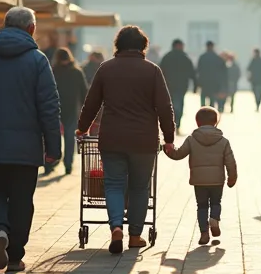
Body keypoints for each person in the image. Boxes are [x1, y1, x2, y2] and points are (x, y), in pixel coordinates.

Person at [0, 7, 61, 273]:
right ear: (31, 29)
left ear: (4, 26)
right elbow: (49, 107)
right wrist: (54, 147)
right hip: (26, 148)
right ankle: (15, 255)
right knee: (21, 199)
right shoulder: (38, 61)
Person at [77, 25, 176, 254]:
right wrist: (169, 137)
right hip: (144, 140)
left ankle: (116, 228)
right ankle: (135, 235)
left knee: (113, 184)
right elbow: (164, 106)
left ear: (117, 45)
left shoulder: (105, 69)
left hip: (112, 137)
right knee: (140, 187)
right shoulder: (152, 71)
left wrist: (82, 128)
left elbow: (91, 103)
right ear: (143, 46)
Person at [164, 107, 238, 246]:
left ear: (197, 123)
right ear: (216, 122)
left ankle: (204, 232)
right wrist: (232, 177)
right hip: (217, 181)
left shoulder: (192, 140)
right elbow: (230, 162)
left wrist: (169, 150)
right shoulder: (223, 141)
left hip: (199, 181)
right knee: (216, 203)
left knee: (202, 206)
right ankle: (214, 219)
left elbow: (179, 154)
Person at [52, 48, 88, 174]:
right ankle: (68, 163)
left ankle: (51, 162)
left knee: (52, 135)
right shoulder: (76, 71)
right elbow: (84, 92)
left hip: (54, 107)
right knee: (69, 136)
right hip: (71, 108)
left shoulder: (53, 71)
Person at [159, 39, 197, 133]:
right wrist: (195, 86)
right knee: (178, 104)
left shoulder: (167, 57)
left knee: (170, 106)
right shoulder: (185, 57)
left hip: (168, 86)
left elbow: (160, 72)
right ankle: (177, 124)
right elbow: (192, 73)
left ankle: (171, 125)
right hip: (181, 86)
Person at [197, 41, 227, 109]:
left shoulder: (202, 57)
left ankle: (203, 113)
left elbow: (198, 71)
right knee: (212, 100)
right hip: (214, 83)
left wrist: (198, 83)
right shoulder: (218, 58)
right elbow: (223, 73)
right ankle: (211, 114)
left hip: (204, 82)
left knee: (203, 99)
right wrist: (222, 85)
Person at [247, 48, 261, 112]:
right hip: (255, 81)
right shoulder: (253, 61)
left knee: (258, 93)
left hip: (259, 81)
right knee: (256, 93)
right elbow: (248, 69)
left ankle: (258, 104)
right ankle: (257, 104)